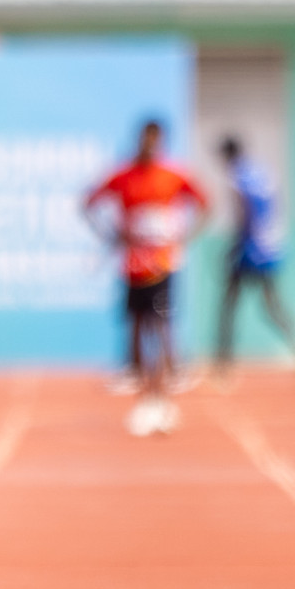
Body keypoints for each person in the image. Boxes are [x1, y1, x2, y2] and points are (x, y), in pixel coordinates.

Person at [84, 119, 206, 437]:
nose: (149, 145)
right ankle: (144, 402)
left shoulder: (174, 175)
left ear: (162, 142)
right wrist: (111, 235)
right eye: (145, 139)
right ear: (138, 140)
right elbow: (88, 203)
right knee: (138, 327)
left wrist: (183, 237)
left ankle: (164, 400)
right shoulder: (122, 176)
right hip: (133, 266)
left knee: (162, 326)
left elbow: (206, 205)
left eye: (156, 140)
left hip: (163, 265)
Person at [214, 136, 295, 381]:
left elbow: (244, 215)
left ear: (227, 155)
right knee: (272, 305)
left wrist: (235, 246)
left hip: (250, 248)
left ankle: (224, 367)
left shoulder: (236, 178)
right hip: (271, 246)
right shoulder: (262, 173)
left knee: (230, 304)